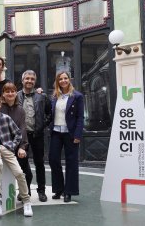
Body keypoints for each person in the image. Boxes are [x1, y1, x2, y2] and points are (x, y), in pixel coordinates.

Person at [0, 93, 33, 217]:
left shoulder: (6, 118)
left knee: (19, 172)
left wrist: (13, 145)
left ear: (0, 104)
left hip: (6, 148)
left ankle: (26, 200)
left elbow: (18, 133)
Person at [49, 71, 84, 203]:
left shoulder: (77, 96)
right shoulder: (54, 96)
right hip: (56, 132)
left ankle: (69, 191)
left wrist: (78, 135)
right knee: (53, 159)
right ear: (57, 81)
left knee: (71, 162)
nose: (63, 81)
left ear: (69, 80)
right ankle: (58, 189)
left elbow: (80, 117)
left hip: (70, 133)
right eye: (60, 79)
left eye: (65, 78)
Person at [17, 70, 51, 202]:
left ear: (35, 81)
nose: (29, 81)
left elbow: (49, 113)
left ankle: (41, 191)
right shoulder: (16, 96)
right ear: (22, 80)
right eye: (27, 78)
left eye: (32, 79)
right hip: (21, 137)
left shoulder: (41, 96)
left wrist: (42, 125)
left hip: (37, 135)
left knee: (39, 163)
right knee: (23, 165)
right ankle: (25, 191)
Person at [0, 82, 32, 200]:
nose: (10, 93)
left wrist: (22, 147)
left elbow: (23, 128)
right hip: (2, 146)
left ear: (15, 93)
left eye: (12, 91)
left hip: (17, 145)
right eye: (7, 91)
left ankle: (24, 194)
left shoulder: (20, 110)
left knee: (27, 173)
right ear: (3, 94)